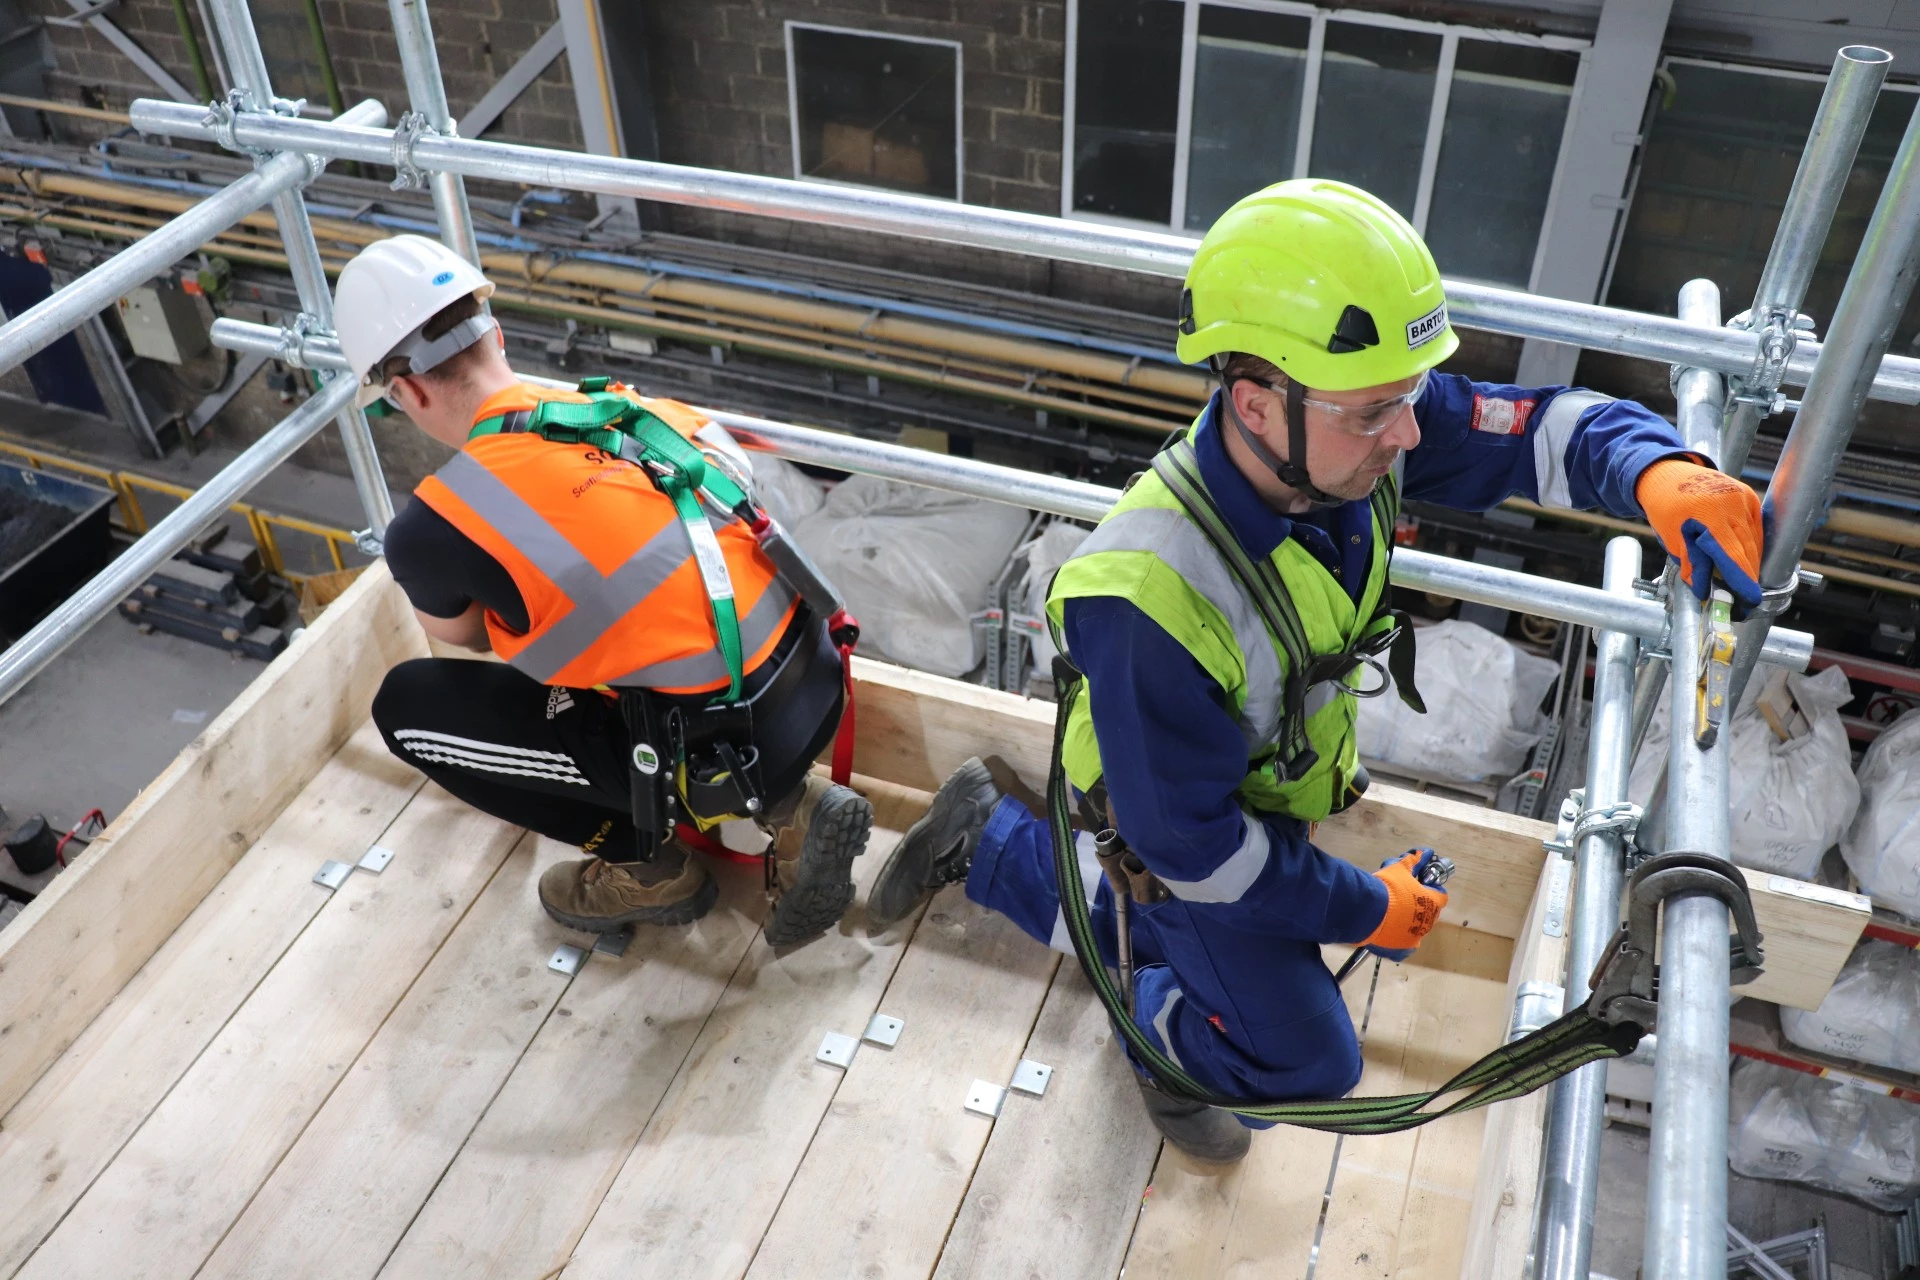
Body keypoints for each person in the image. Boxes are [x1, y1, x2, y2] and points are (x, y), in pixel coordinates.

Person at [867, 180, 1765, 1165]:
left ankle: (989, 843)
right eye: (1380, 409)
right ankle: (1165, 1034)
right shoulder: (1150, 597)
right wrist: (1364, 905)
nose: (1412, 434)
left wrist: (1655, 469)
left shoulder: (1340, 442)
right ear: (1256, 400)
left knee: (1186, 912)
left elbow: (1538, 434)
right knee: (1307, 1065)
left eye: (1408, 397)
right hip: (1178, 819)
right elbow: (1200, 856)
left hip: (1230, 788)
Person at [336, 234, 872, 948]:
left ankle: (645, 867)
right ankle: (793, 808)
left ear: (403, 391)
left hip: (712, 750)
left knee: (405, 707)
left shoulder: (436, 523)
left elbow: (458, 636)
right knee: (627, 637)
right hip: (816, 679)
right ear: (496, 334)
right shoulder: (633, 412)